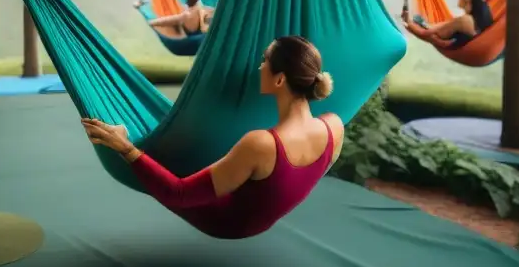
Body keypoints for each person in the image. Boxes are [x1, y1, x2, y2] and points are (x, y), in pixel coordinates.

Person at [82, 35, 344, 239]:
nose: (260, 66)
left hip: (227, 223)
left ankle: (128, 139)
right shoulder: (334, 127)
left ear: (279, 80)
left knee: (164, 163)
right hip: (261, 216)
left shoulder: (262, 145)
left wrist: (125, 147)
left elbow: (179, 194)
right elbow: (306, 175)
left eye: (265, 60)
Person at [402, 0, 493, 47]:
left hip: (445, 39)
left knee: (429, 30)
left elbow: (425, 33)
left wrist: (408, 24)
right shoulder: (474, 20)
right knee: (428, 26)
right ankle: (424, 24)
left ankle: (422, 24)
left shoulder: (464, 21)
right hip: (447, 35)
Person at [141, 0, 214, 36]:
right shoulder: (199, 9)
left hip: (194, 31)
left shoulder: (189, 13)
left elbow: (168, 20)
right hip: (197, 30)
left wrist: (151, 22)